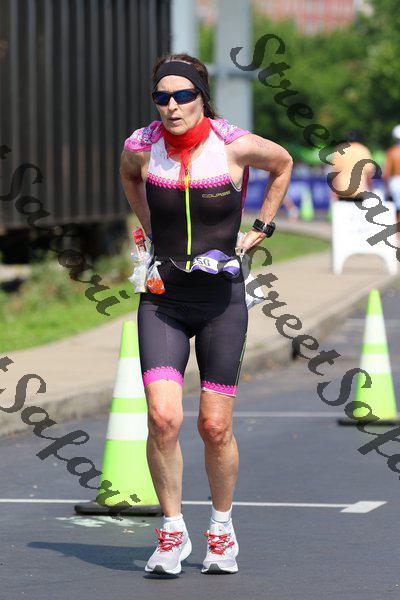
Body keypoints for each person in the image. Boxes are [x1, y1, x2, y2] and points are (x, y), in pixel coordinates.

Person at [119, 53, 293, 576]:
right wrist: (149, 227)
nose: (172, 106)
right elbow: (129, 177)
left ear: (201, 98)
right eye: (162, 97)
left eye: (183, 95)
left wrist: (262, 227)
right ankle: (172, 531)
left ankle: (221, 529)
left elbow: (283, 164)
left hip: (221, 302)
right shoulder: (141, 146)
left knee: (214, 426)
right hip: (163, 299)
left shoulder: (233, 143)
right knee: (162, 418)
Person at [330, 129, 375, 202]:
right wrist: (371, 188)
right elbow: (369, 172)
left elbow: (335, 172)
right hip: (359, 190)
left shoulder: (340, 150)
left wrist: (334, 191)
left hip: (342, 190)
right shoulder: (364, 150)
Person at [383, 125, 400, 242]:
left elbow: (387, 172)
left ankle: (397, 235)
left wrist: (386, 186)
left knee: (396, 209)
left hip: (396, 182)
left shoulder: (392, 152)